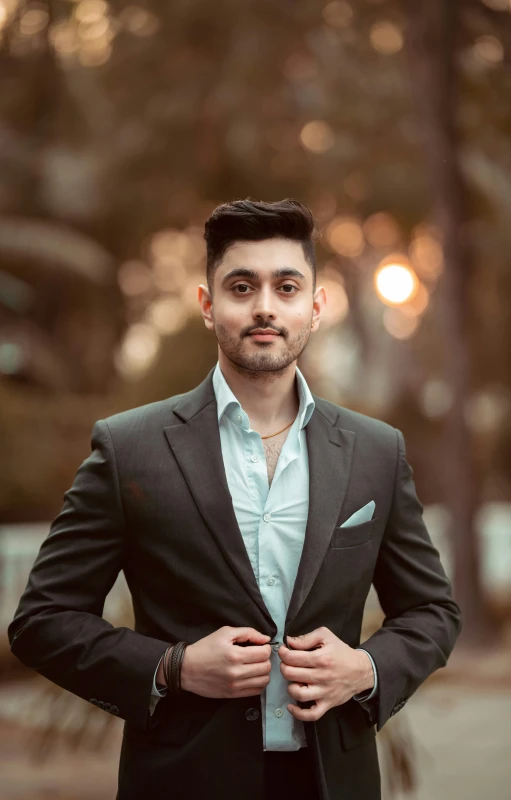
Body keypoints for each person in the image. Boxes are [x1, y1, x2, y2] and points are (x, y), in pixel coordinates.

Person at [8, 198, 461, 800]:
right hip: (183, 781)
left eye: (287, 286)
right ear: (207, 304)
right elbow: (42, 622)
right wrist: (175, 667)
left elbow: (433, 611)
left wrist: (366, 669)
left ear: (316, 306)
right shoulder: (129, 449)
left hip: (332, 782)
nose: (265, 307)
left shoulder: (377, 452)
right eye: (242, 286)